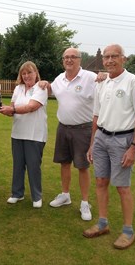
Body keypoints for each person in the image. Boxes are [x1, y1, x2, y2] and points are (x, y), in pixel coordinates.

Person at [83, 44, 135, 250]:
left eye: (114, 56)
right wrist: (92, 143)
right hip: (101, 137)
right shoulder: (101, 83)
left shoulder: (134, 82)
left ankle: (128, 231)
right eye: (107, 57)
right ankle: (103, 223)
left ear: (123, 58)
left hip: (123, 140)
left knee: (122, 187)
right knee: (101, 181)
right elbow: (96, 115)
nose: (110, 60)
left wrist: (134, 147)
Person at [41, 48, 97, 220]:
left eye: (73, 57)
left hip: (83, 129)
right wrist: (45, 84)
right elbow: (51, 89)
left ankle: (85, 203)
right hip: (63, 128)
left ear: (80, 59)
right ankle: (65, 195)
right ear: (62, 60)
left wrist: (104, 76)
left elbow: (108, 84)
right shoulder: (59, 79)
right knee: (64, 163)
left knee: (82, 166)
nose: (69, 60)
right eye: (66, 57)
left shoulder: (91, 78)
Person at [0, 61, 48, 208]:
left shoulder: (41, 88)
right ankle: (17, 194)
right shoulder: (18, 88)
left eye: (30, 72)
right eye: (24, 73)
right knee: (18, 165)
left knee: (33, 166)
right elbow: (12, 108)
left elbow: (31, 107)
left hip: (35, 134)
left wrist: (12, 110)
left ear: (36, 73)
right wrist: (0, 109)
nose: (27, 76)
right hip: (18, 133)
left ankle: (36, 196)